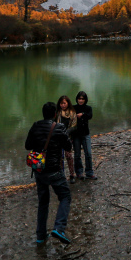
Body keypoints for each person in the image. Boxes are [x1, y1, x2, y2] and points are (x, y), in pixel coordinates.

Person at [24, 101, 74, 245]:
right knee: (65, 196)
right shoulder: (59, 127)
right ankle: (59, 228)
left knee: (43, 202)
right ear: (54, 114)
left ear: (43, 113)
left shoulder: (35, 126)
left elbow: (28, 145)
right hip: (54, 170)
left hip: (39, 170)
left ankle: (41, 236)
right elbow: (68, 147)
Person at [72, 91, 97, 180]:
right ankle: (79, 172)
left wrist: (82, 114)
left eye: (82, 99)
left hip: (85, 134)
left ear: (85, 100)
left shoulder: (88, 108)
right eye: (79, 99)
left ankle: (89, 172)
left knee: (88, 154)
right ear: (77, 99)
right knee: (77, 154)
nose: (81, 100)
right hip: (76, 135)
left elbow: (89, 116)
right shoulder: (73, 108)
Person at [56, 95, 78, 183]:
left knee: (69, 156)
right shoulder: (58, 113)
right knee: (60, 157)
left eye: (64, 103)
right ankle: (61, 175)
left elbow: (74, 126)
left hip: (68, 138)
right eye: (61, 103)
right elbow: (55, 123)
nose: (63, 105)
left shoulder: (72, 113)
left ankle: (72, 175)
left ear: (68, 103)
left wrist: (67, 132)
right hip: (58, 138)